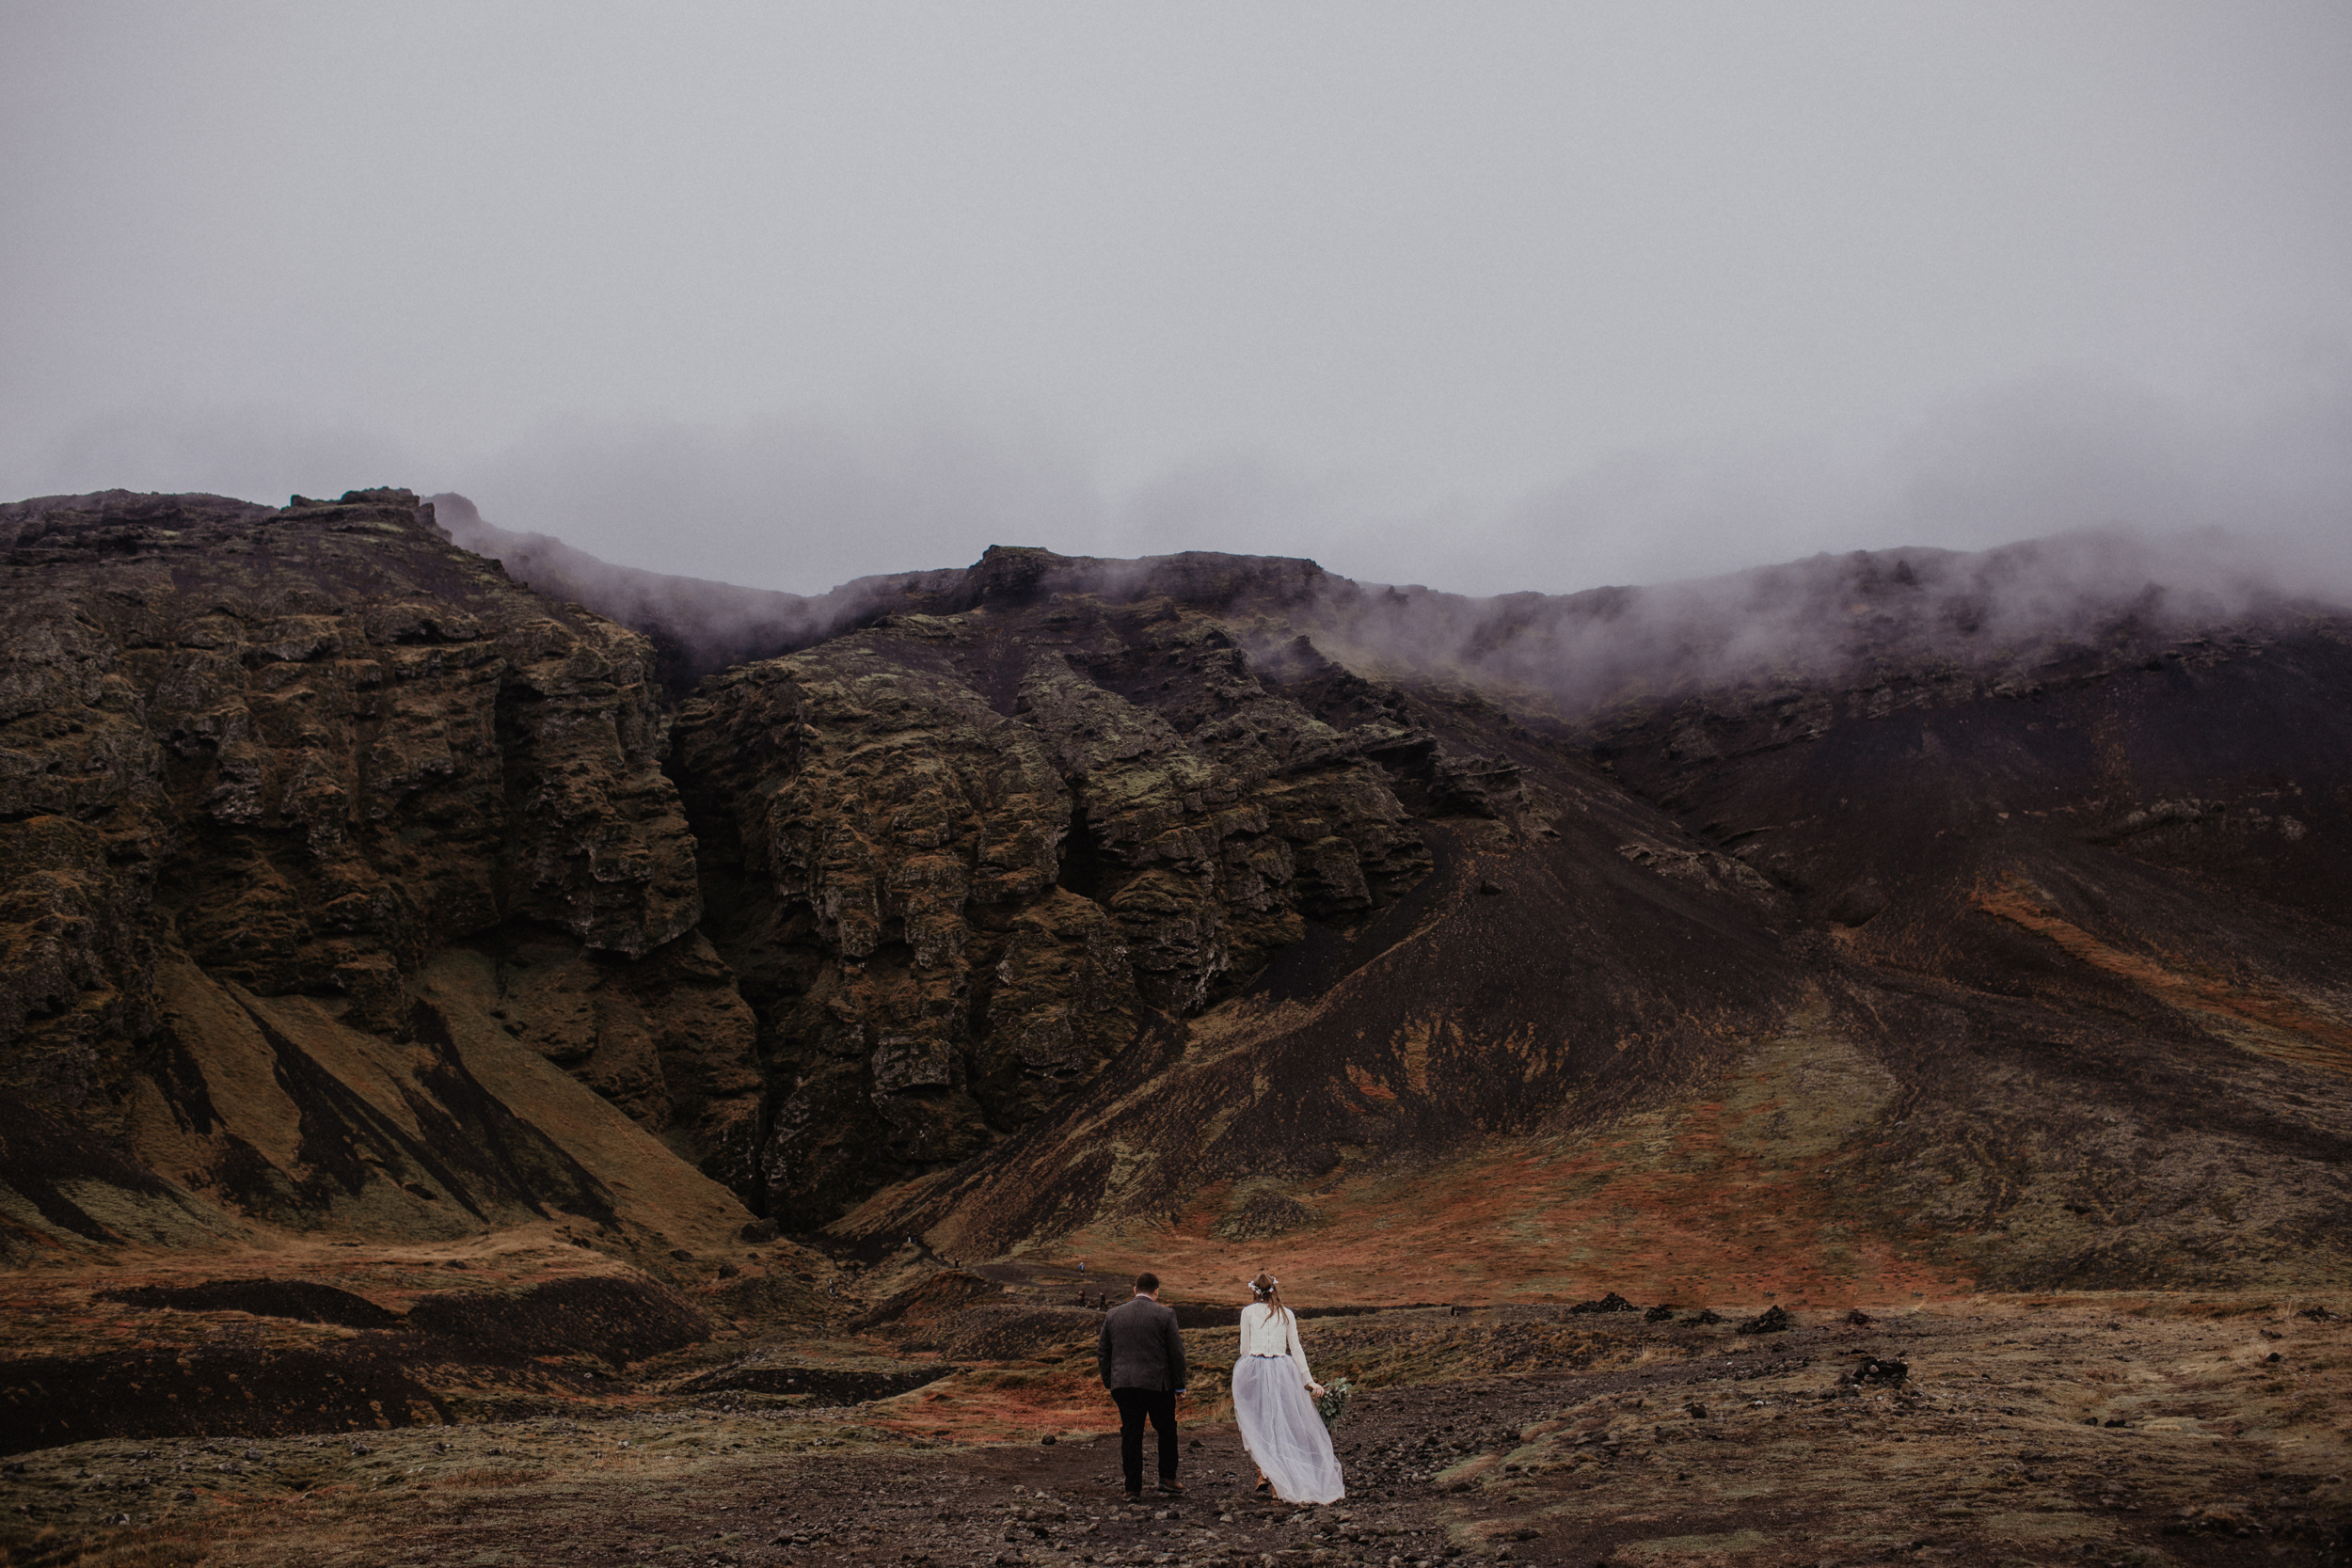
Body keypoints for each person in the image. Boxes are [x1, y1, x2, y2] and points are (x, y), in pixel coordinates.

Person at [1232, 1271, 1343, 1505]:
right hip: (1283, 1370)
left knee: (1259, 1423)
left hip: (1254, 1369)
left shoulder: (1248, 1312)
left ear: (1254, 1291)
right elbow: (1296, 1348)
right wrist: (1308, 1381)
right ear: (1274, 1289)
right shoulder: (1287, 1314)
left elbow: (1244, 1348)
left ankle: (1267, 1472)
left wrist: (1245, 1373)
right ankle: (1273, 1477)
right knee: (1282, 1422)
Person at [1097, 1270, 1188, 1500]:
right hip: (1158, 1385)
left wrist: (1111, 1381)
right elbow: (1177, 1353)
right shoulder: (1166, 1314)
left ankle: (1132, 1488)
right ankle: (1167, 1479)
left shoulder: (1113, 1315)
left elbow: (1103, 1352)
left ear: (1135, 1290)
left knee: (1131, 1433)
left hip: (1124, 1385)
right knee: (1166, 1430)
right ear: (1156, 1291)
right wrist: (1179, 1385)